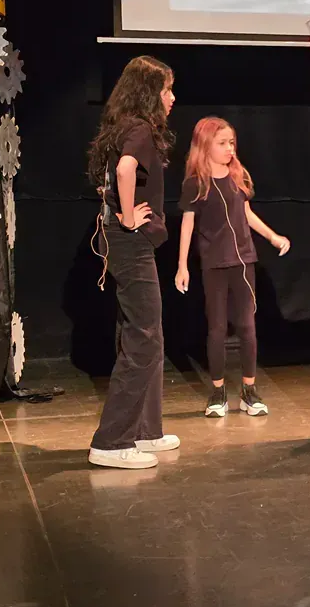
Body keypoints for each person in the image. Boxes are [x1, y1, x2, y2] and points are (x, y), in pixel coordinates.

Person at [85, 56, 180, 469]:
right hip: (130, 243)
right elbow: (125, 170)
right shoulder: (140, 128)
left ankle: (145, 430)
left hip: (121, 242)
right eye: (166, 90)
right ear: (149, 93)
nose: (171, 98)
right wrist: (127, 216)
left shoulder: (123, 126)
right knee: (144, 338)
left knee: (143, 334)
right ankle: (112, 441)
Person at [175, 117, 290, 417]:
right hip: (214, 264)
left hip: (243, 261)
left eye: (232, 143)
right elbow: (188, 224)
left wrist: (272, 237)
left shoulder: (238, 176)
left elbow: (246, 213)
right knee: (216, 329)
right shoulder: (195, 184)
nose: (230, 149)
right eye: (222, 143)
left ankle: (249, 390)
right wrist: (182, 265)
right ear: (205, 145)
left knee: (247, 326)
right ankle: (218, 392)